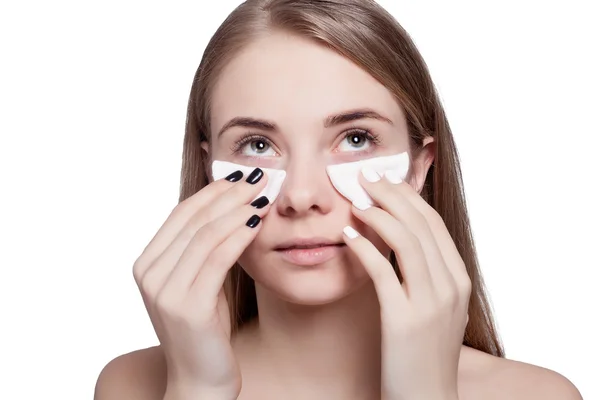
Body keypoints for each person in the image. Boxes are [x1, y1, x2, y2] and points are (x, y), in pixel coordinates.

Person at [94, 1, 582, 399]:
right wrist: (199, 389)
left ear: (418, 165)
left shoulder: (538, 394)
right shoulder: (133, 387)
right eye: (258, 146)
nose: (301, 197)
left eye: (355, 139)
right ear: (209, 169)